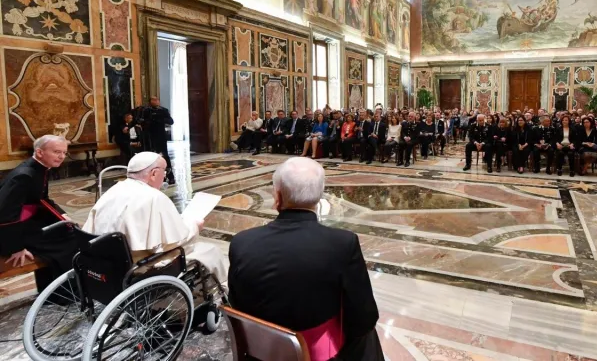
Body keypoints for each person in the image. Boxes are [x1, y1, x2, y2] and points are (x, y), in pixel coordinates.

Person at [228, 158, 382, 361]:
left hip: (260, 352)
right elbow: (364, 318)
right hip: (316, 353)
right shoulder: (343, 244)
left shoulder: (242, 242)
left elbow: (236, 305)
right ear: (319, 197)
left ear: (277, 196)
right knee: (367, 333)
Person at [83, 152, 229, 284]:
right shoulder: (154, 197)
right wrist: (195, 226)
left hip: (107, 261)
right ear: (153, 173)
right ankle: (223, 296)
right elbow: (174, 242)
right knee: (210, 252)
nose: (164, 176)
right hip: (140, 266)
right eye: (164, 172)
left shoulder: (113, 190)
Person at [0, 135, 81, 290]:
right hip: (8, 233)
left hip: (24, 223)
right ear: (39, 152)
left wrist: (61, 215)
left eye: (64, 152)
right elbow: (5, 214)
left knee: (68, 230)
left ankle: (55, 290)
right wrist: (15, 248)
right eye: (57, 151)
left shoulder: (39, 169)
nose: (62, 156)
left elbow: (42, 198)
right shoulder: (24, 175)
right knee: (69, 241)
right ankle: (60, 292)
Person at [140, 96, 175, 184]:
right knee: (151, 157)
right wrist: (148, 121)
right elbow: (140, 120)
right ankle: (152, 177)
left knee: (164, 156)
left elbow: (171, 121)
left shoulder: (163, 110)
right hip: (149, 136)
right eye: (152, 100)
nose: (154, 101)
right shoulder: (146, 110)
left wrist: (160, 119)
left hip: (160, 136)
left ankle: (170, 176)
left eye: (156, 100)